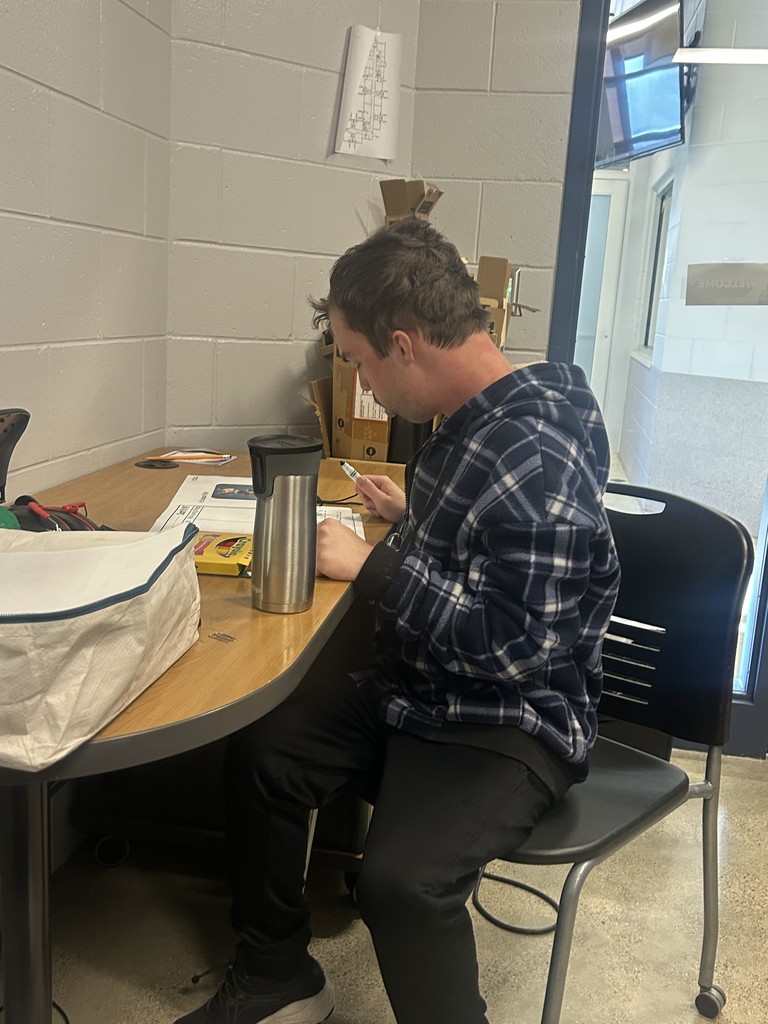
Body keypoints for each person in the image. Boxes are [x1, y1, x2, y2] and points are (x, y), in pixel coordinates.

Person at [174, 218, 620, 1024]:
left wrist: (372, 565)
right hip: (427, 685)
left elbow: (517, 647)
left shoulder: (534, 451)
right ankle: (279, 976)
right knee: (267, 749)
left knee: (401, 885)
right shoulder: (479, 419)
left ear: (406, 345)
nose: (364, 382)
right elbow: (498, 541)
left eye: (360, 359)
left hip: (512, 719)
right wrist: (418, 514)